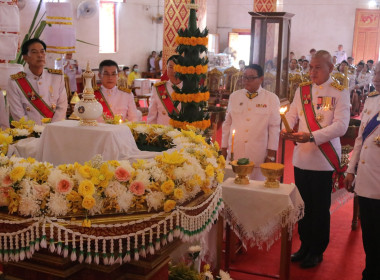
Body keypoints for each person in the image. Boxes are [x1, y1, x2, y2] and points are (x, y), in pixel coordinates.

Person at [281, 50, 350, 269]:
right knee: (302, 206)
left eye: (317, 67)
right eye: (310, 67)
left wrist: (312, 136)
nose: (312, 71)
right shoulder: (302, 90)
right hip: (302, 158)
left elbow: (341, 126)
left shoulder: (340, 91)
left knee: (319, 208)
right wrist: (287, 128)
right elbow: (292, 114)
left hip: (323, 160)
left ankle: (317, 250)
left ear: (330, 68)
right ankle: (304, 246)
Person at [343, 61, 380, 280]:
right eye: (376, 74)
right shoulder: (372, 100)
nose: (376, 79)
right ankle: (371, 271)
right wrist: (350, 170)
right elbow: (360, 140)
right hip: (366, 180)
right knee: (369, 231)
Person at [221, 64, 281, 180]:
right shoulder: (235, 96)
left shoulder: (271, 99)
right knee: (232, 188)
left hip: (257, 155)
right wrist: (223, 149)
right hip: (235, 152)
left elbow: (274, 128)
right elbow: (227, 124)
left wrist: (271, 155)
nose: (247, 80)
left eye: (251, 77)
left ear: (261, 79)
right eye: (245, 77)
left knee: (255, 191)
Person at [8, 38, 67, 125]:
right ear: (25, 57)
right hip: (30, 134)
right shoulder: (16, 82)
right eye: (34, 52)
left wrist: (51, 129)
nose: (40, 55)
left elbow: (62, 107)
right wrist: (35, 132)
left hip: (54, 131)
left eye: (42, 51)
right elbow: (18, 115)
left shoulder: (57, 77)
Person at [147, 55, 182, 125]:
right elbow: (152, 117)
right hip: (163, 133)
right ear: (166, 69)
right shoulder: (158, 88)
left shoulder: (191, 89)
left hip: (184, 134)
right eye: (171, 67)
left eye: (177, 68)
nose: (174, 71)